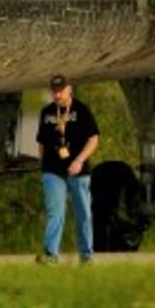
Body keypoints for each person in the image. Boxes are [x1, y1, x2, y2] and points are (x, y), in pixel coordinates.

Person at [35, 74, 100, 265]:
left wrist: (79, 160)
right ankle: (50, 254)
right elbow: (41, 143)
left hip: (78, 170)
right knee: (55, 211)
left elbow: (93, 139)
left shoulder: (81, 110)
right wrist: (45, 165)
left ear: (69, 89)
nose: (57, 95)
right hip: (53, 171)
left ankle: (86, 255)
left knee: (83, 213)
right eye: (54, 91)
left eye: (61, 91)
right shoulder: (47, 112)